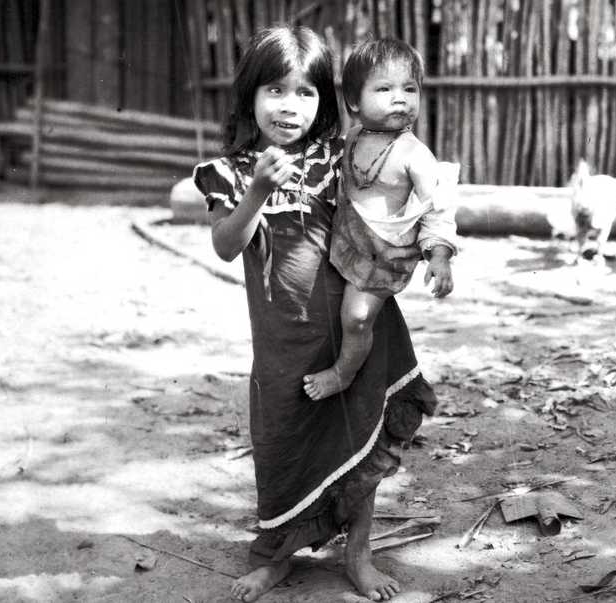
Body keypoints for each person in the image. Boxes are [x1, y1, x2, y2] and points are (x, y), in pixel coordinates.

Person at [192, 26, 437, 603]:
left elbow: (404, 162)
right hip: (284, 339)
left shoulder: (343, 156)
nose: (289, 105)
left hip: (356, 326)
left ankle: (358, 553)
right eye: (276, 90)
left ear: (326, 101)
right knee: (282, 438)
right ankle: (277, 556)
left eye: (306, 93)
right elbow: (228, 245)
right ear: (250, 95)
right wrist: (255, 191)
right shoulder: (228, 171)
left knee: (360, 430)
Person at [303, 37, 458, 402]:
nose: (400, 97)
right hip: (348, 236)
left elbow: (438, 208)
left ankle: (343, 372)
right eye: (384, 88)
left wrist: (439, 255)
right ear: (355, 101)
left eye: (409, 88)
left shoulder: (415, 155)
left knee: (356, 317)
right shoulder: (353, 137)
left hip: (382, 256)